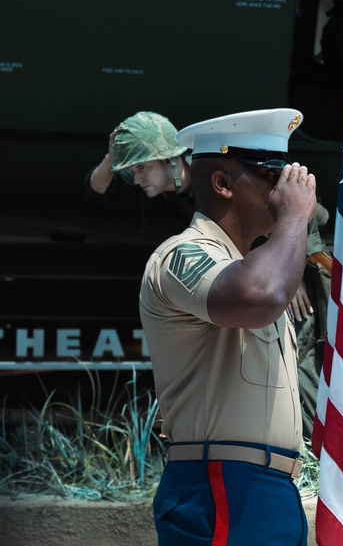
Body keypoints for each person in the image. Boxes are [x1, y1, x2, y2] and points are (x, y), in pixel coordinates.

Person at [139, 108, 315, 546]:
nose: (287, 185)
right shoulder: (182, 254)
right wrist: (296, 218)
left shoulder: (253, 267)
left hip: (270, 493)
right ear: (220, 182)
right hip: (223, 484)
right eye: (270, 172)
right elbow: (258, 295)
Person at [86, 110, 330, 437]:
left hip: (291, 266)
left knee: (301, 360)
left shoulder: (218, 173)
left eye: (142, 167)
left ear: (172, 161)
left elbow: (297, 214)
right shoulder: (176, 187)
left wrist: (294, 273)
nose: (137, 177)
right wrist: (113, 155)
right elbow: (99, 190)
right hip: (260, 274)